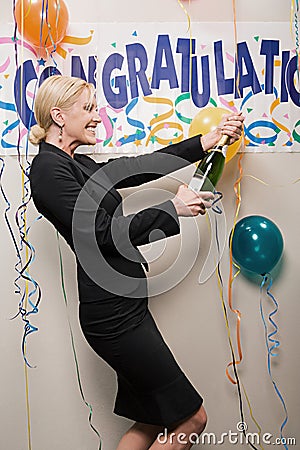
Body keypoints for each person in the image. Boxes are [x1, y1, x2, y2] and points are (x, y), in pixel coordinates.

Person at [29, 75, 244, 449]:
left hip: (124, 306)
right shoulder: (48, 170)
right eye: (89, 108)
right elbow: (100, 231)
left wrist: (203, 143)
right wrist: (172, 209)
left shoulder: (75, 164)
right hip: (111, 317)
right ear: (59, 116)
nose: (98, 116)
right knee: (192, 418)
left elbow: (137, 166)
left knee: (149, 420)